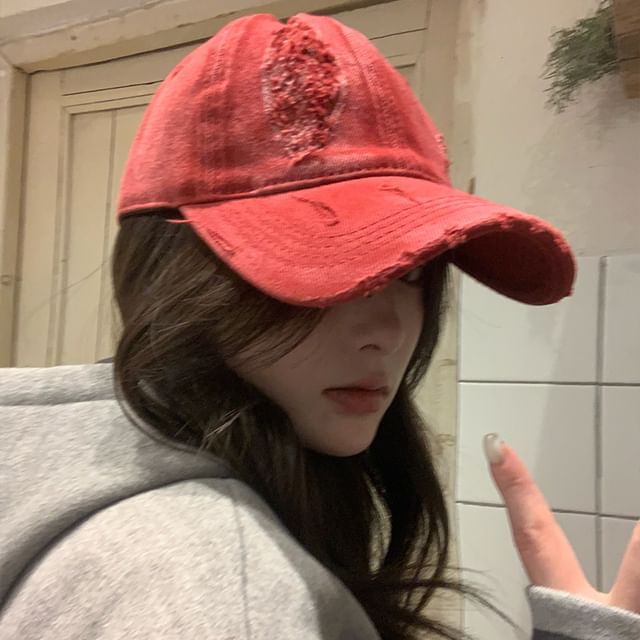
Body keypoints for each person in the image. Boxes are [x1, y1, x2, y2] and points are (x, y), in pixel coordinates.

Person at [1, 11, 638, 640]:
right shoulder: (223, 592)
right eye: (325, 266)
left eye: (413, 271)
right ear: (177, 280)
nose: (388, 333)